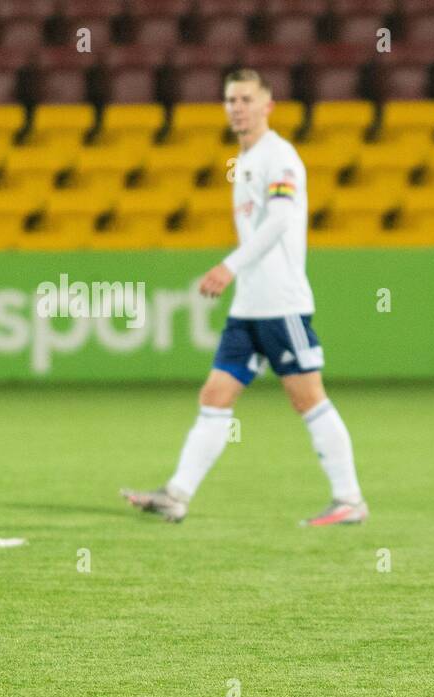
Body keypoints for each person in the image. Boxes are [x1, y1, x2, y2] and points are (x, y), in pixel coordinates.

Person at [122, 69, 367, 526]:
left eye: (246, 99)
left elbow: (277, 222)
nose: (237, 107)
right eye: (231, 99)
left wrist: (228, 266)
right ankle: (177, 494)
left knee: (308, 398)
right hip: (249, 309)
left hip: (281, 304)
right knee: (215, 395)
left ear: (268, 106)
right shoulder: (248, 160)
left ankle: (350, 499)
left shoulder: (281, 158)